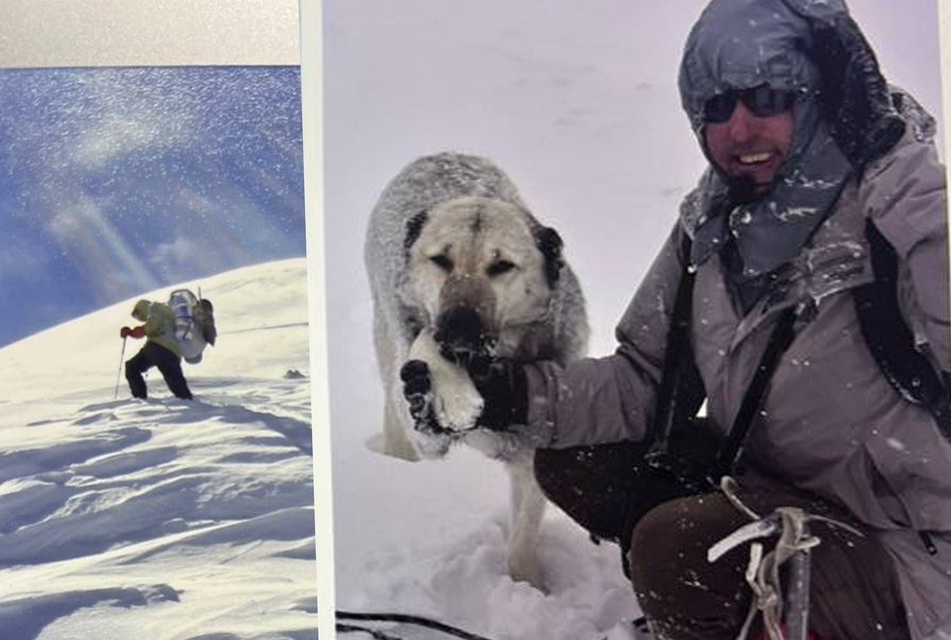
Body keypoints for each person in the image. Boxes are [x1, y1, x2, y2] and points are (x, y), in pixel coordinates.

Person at [402, 1, 950, 638]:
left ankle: (769, 603)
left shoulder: (900, 219)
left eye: (768, 96)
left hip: (904, 548)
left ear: (819, 96)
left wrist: (899, 166)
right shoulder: (715, 226)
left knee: (679, 547)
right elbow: (644, 378)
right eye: (717, 107)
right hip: (764, 485)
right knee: (575, 453)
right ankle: (724, 604)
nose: (740, 129)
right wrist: (508, 395)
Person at [121, 299, 194, 401]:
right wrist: (135, 332)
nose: (139, 318)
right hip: (173, 352)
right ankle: (188, 400)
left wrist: (134, 332)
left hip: (159, 347)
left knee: (132, 367)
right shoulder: (168, 313)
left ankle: (140, 398)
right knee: (174, 379)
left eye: (137, 314)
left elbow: (153, 325)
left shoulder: (155, 307)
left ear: (141, 307)